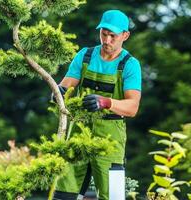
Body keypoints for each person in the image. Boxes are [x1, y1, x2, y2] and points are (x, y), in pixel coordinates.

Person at [52, 9, 142, 200]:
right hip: (78, 133)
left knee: (113, 196)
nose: (107, 41)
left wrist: (106, 102)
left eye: (113, 36)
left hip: (110, 139)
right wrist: (58, 92)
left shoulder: (130, 64)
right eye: (103, 34)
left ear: (125, 35)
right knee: (65, 193)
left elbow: (132, 107)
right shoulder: (85, 55)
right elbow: (65, 87)